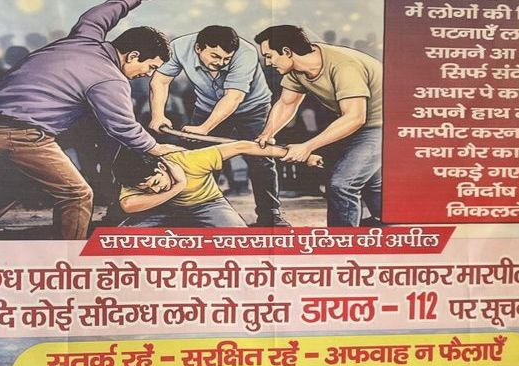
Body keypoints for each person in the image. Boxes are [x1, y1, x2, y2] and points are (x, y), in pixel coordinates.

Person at [0, 0, 181, 239]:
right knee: (77, 194)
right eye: (151, 67)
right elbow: (123, 127)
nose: (148, 74)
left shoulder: (84, 38)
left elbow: (96, 16)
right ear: (133, 55)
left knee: (22, 178)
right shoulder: (110, 78)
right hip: (20, 133)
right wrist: (157, 148)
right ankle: (68, 255)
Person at [148, 25, 287, 227]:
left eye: (226, 59)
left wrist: (204, 128)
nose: (220, 63)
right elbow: (160, 81)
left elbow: (234, 97)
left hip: (252, 107)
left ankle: (271, 216)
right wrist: (158, 115)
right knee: (198, 159)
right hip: (207, 106)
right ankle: (196, 212)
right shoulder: (179, 48)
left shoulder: (246, 53)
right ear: (198, 48)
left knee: (261, 158)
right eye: (215, 56)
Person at [255, 24, 384, 227]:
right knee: (371, 182)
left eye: (269, 56)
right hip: (359, 124)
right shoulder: (295, 69)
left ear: (287, 51)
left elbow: (355, 118)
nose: (268, 62)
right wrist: (267, 134)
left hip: (385, 125)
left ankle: (341, 241)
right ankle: (387, 224)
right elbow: (287, 104)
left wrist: (307, 147)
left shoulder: (344, 66)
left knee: (342, 185)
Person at [114, 142, 321, 228]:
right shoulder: (134, 173)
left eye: (156, 183)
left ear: (162, 167)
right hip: (163, 209)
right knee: (120, 240)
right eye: (147, 190)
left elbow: (242, 146)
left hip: (208, 203)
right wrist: (177, 187)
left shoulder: (192, 159)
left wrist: (302, 155)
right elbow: (128, 205)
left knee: (239, 240)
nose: (155, 190)